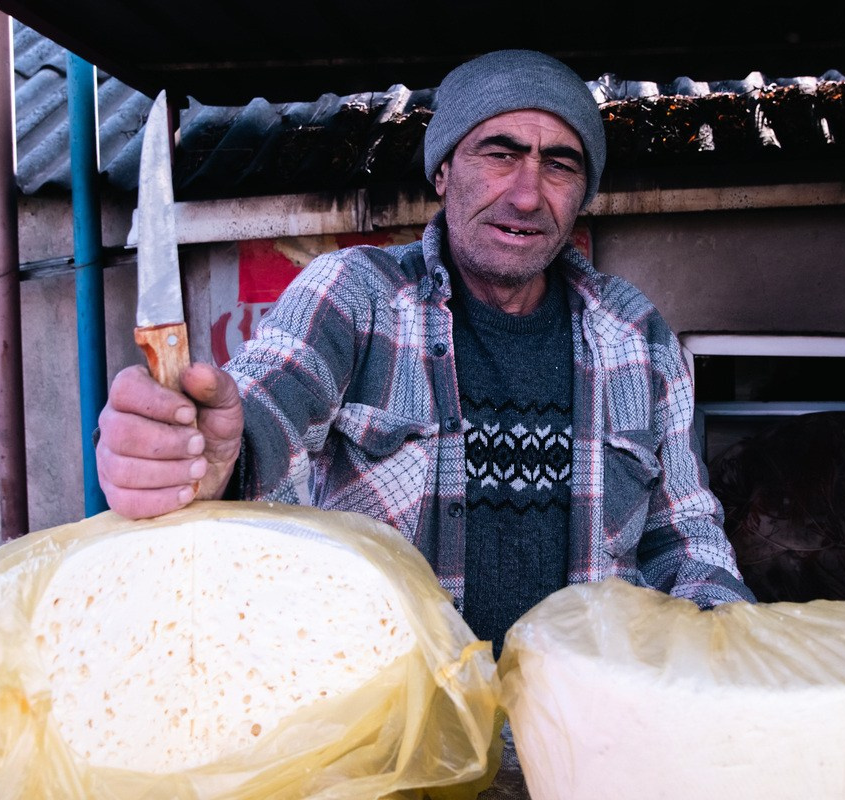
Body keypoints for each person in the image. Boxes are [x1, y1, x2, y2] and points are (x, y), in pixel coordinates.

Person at [97, 49, 755, 655]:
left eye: (559, 163)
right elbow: (269, 399)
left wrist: (733, 647)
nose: (527, 194)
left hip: (583, 728)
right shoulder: (357, 298)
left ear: (583, 192)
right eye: (499, 154)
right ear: (442, 172)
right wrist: (215, 455)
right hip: (396, 733)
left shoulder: (637, 334)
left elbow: (684, 538)